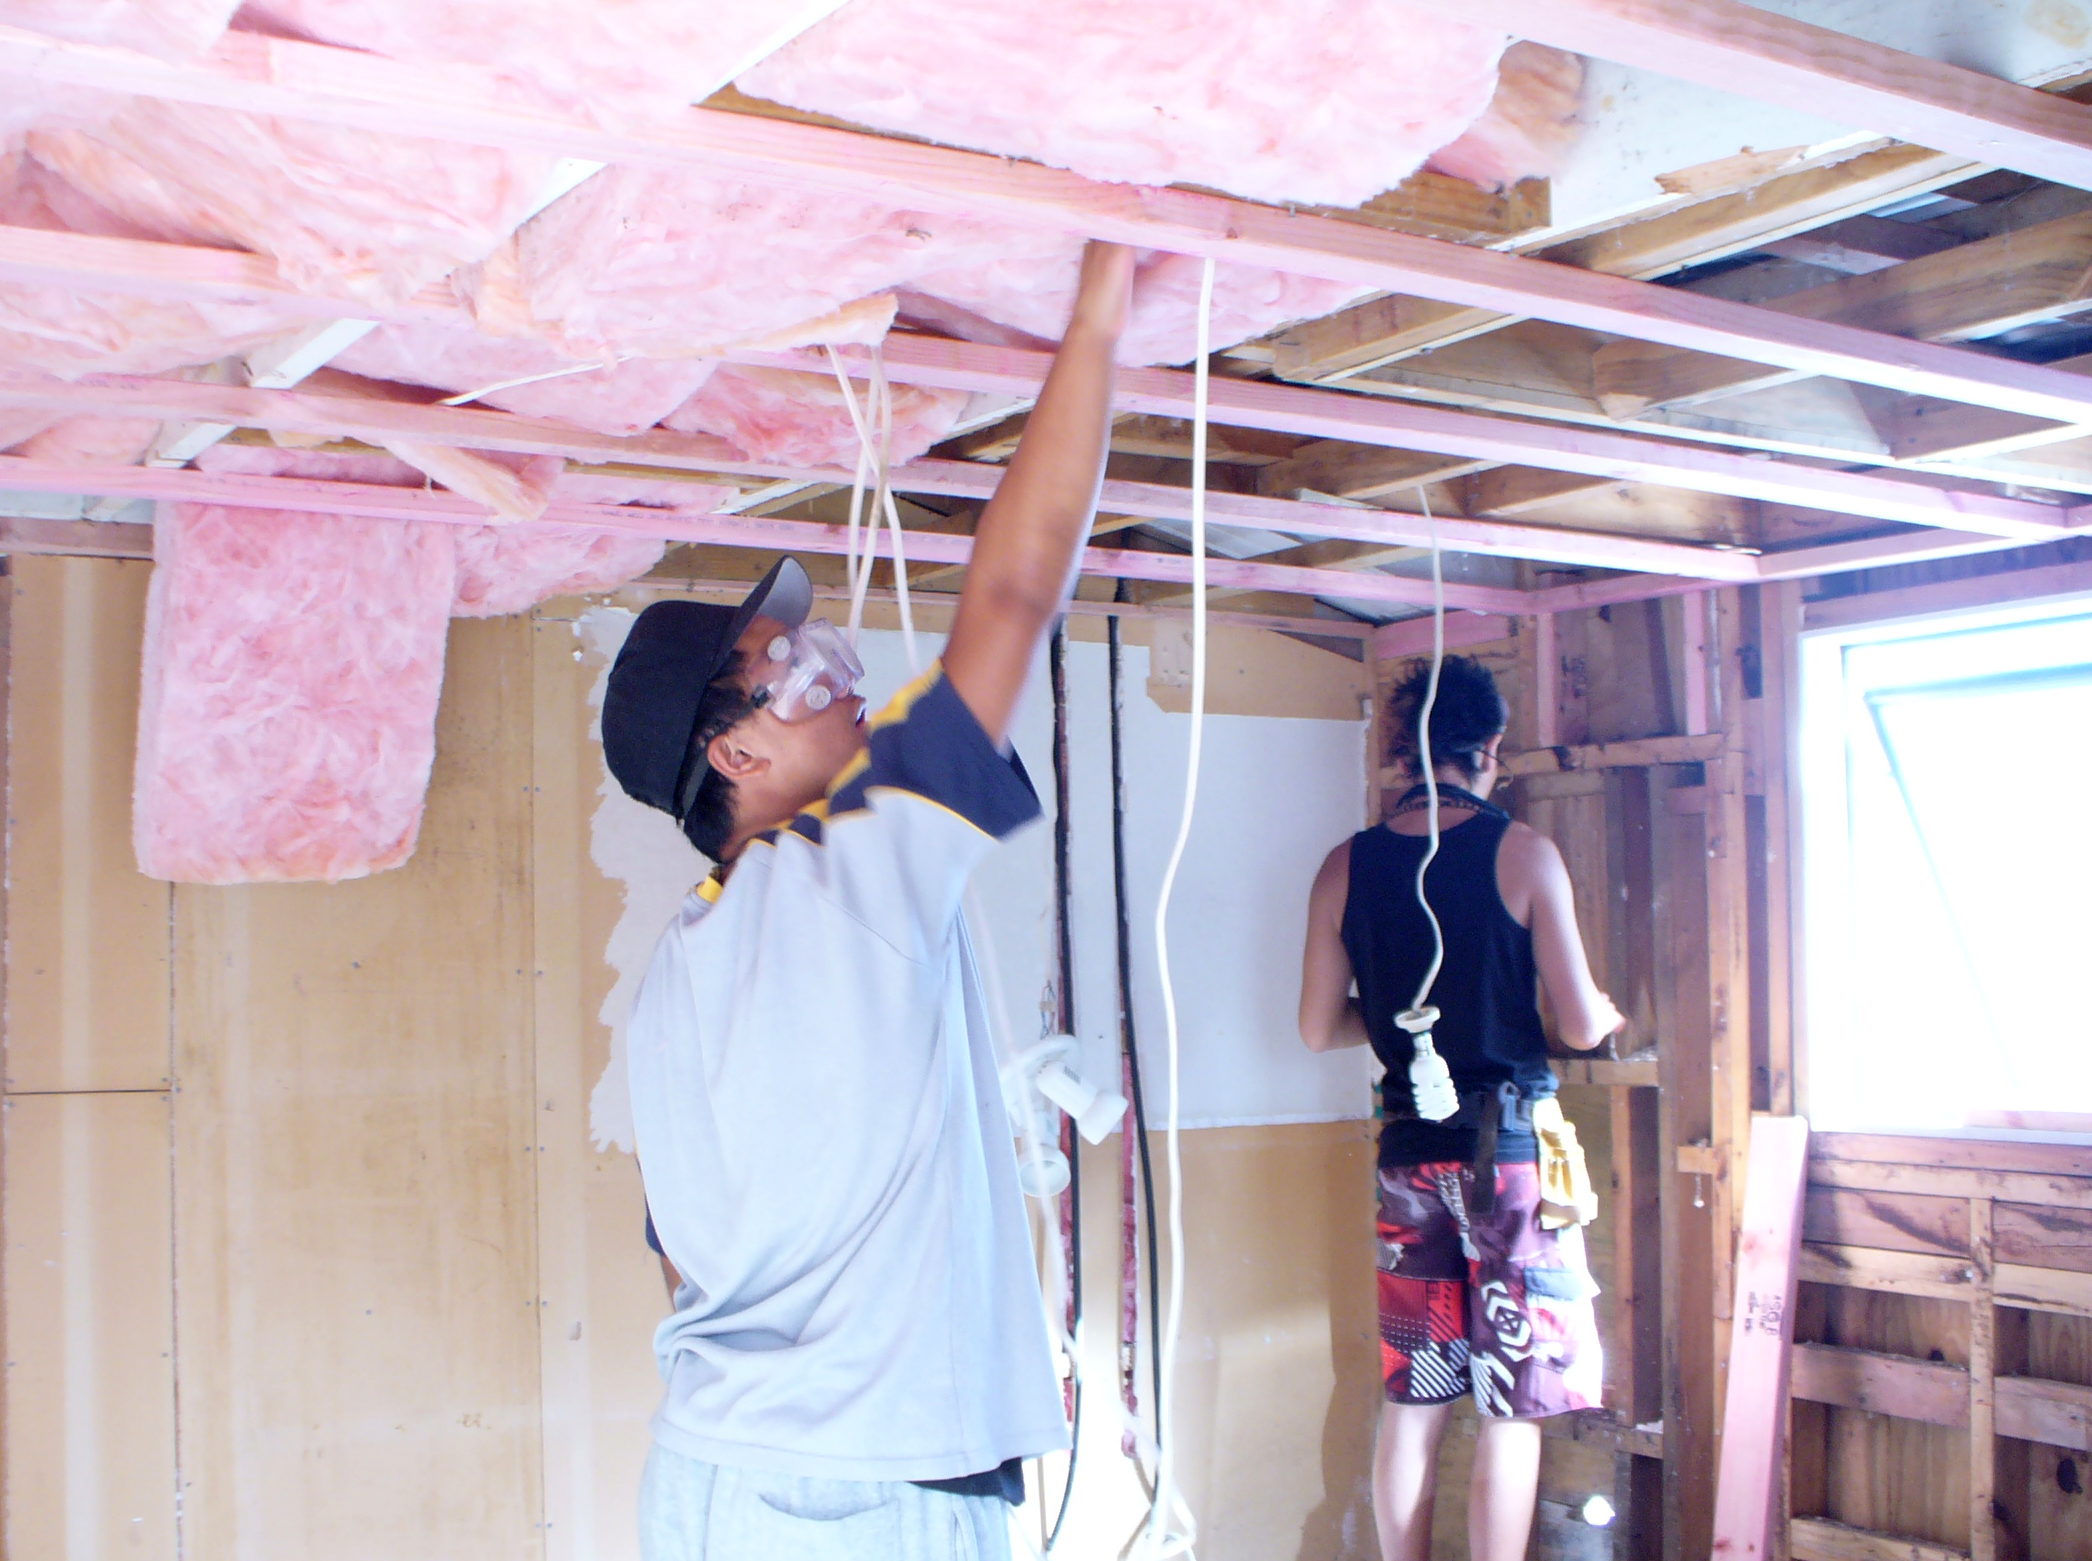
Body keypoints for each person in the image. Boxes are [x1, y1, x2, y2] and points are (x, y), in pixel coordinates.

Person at [599, 241, 1136, 1561]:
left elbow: (677, 1239)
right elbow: (1013, 595)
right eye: (786, 664)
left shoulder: (683, 964)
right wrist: (1101, 309)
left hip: (740, 1478)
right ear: (734, 753)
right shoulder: (849, 873)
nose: (835, 670)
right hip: (845, 1499)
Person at [1297, 654, 1624, 1561]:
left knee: (1416, 1396)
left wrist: (1405, 1023)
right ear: (1489, 750)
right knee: (1511, 1405)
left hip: (1407, 1154)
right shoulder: (1524, 853)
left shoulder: (1343, 866)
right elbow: (1584, 1022)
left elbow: (1319, 1027)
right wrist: (1604, 1013)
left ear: (1404, 752)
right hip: (1508, 1156)